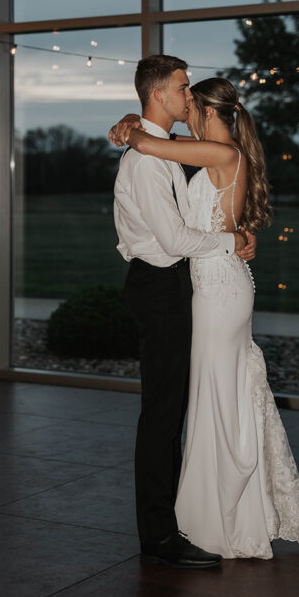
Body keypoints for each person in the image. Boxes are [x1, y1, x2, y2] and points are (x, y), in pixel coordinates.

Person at [111, 73, 299, 560]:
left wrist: (132, 130)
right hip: (211, 282)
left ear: (203, 110)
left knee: (216, 400)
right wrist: (134, 125)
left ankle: (218, 517)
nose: (183, 106)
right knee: (212, 398)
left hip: (217, 288)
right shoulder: (213, 151)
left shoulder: (223, 155)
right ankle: (218, 513)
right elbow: (160, 146)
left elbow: (153, 147)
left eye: (189, 100)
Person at [112, 55, 256, 570]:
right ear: (158, 95)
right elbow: (173, 240)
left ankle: (177, 519)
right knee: (162, 414)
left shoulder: (162, 148)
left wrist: (132, 128)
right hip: (161, 284)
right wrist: (230, 239)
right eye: (181, 87)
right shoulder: (149, 158)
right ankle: (158, 534)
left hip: (177, 284)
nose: (188, 95)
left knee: (172, 409)